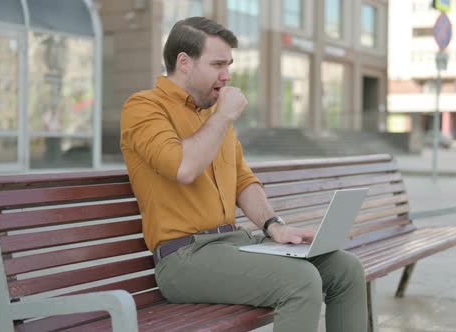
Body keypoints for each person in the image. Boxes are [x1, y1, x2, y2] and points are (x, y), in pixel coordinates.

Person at [120, 16, 367, 332]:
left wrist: (275, 226)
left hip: (234, 245)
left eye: (229, 65)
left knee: (345, 268)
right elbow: (183, 168)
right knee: (301, 281)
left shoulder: (214, 115)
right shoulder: (143, 107)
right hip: (184, 259)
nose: (227, 76)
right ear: (184, 63)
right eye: (218, 64)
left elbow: (243, 180)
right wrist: (222, 117)